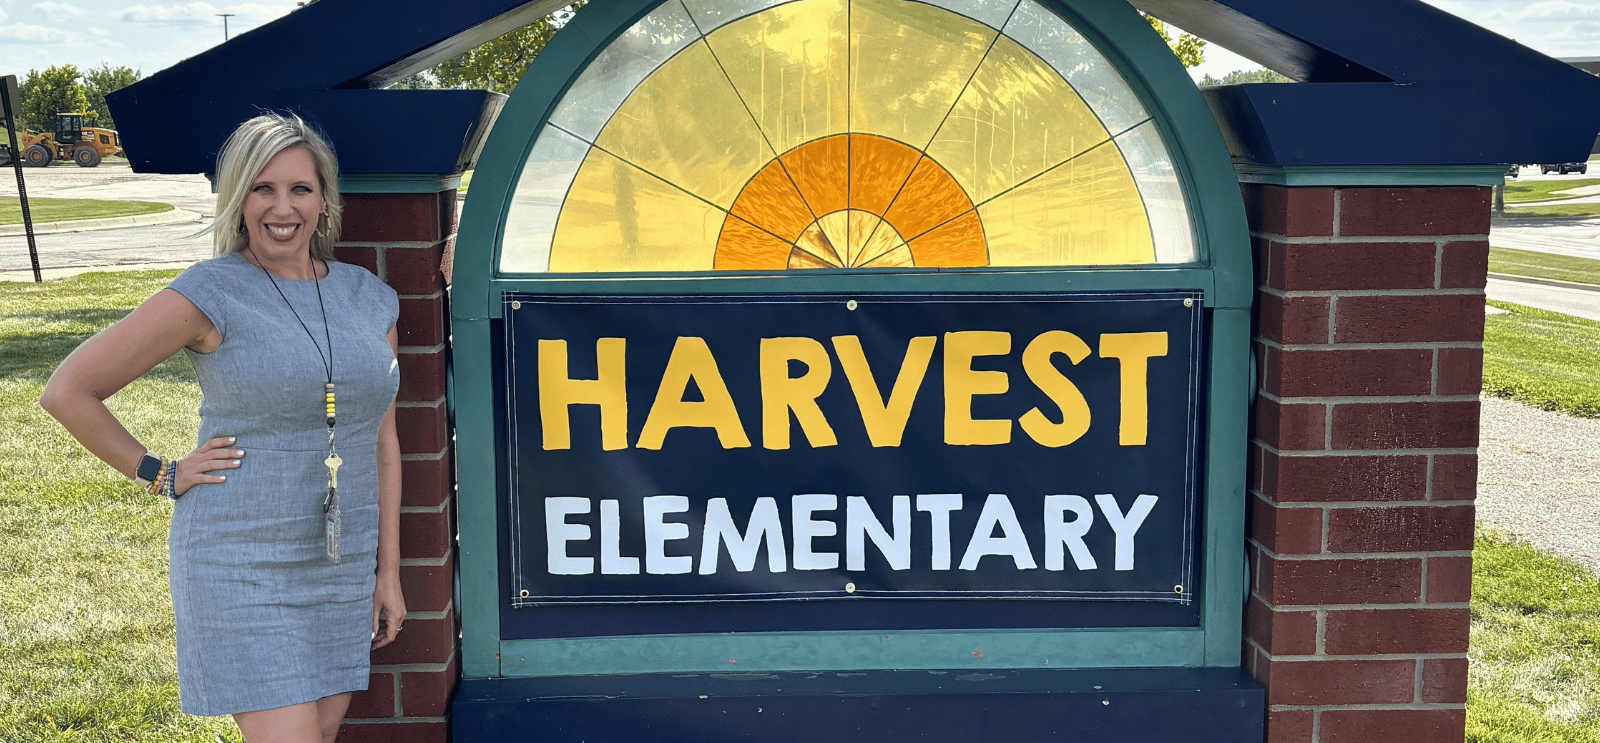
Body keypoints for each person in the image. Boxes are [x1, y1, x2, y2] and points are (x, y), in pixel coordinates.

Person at [39, 112, 405, 743]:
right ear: (237, 200)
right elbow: (68, 391)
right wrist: (160, 472)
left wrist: (387, 574)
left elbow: (383, 444)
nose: (281, 207)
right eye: (262, 189)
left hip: (338, 564)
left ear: (324, 200)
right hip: (240, 562)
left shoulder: (368, 297)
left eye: (299, 189)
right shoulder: (211, 292)